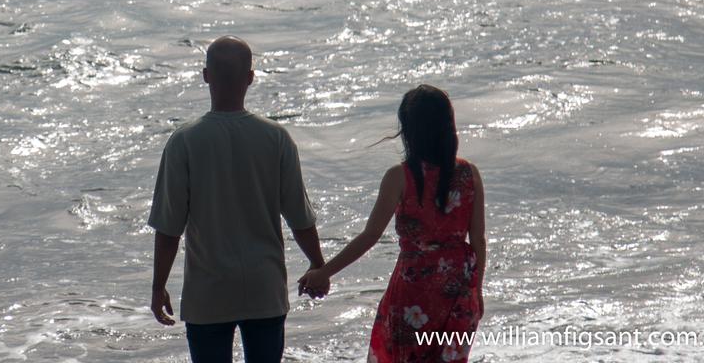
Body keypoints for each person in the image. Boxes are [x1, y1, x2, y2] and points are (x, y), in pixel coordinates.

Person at [148, 36, 327, 363]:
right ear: (250, 78)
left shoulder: (184, 142)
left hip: (208, 293)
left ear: (206, 75)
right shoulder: (276, 137)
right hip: (265, 288)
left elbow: (168, 228)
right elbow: (300, 217)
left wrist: (158, 286)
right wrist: (318, 265)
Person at [298, 85, 486, 363]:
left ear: (409, 129)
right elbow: (478, 240)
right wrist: (477, 290)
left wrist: (325, 272)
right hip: (458, 291)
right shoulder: (470, 173)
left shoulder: (400, 176)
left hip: (414, 293)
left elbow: (370, 235)